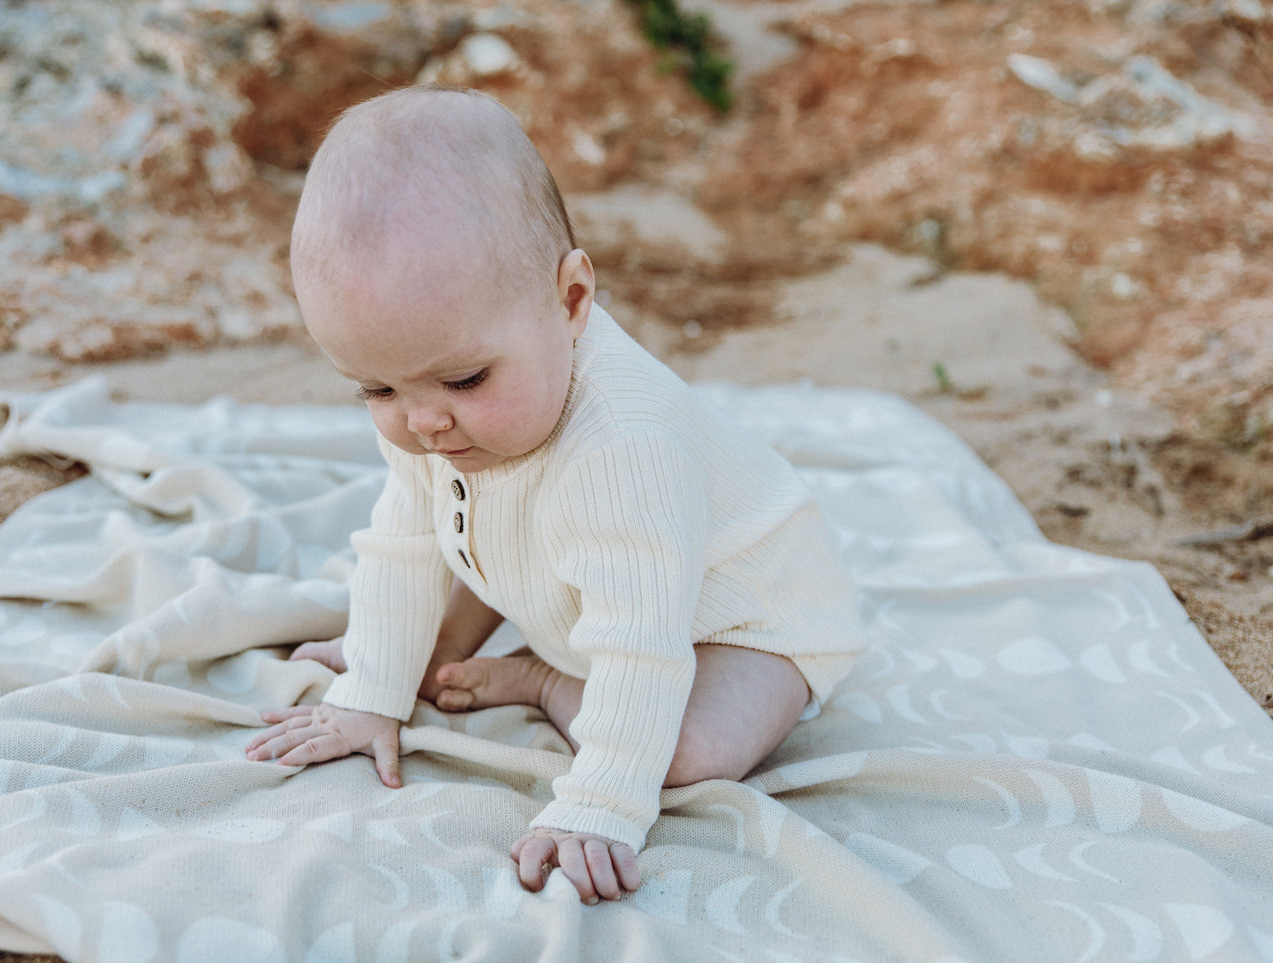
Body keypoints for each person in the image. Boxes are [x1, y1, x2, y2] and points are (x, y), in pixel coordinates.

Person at [245, 85, 866, 904]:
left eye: (464, 378)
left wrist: (599, 804)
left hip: (743, 619)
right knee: (419, 617)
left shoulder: (620, 445)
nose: (423, 420)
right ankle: (444, 658)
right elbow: (407, 542)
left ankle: (541, 678)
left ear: (570, 300)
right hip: (570, 567)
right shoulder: (432, 397)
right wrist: (369, 687)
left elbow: (643, 642)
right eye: (374, 387)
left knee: (680, 749)